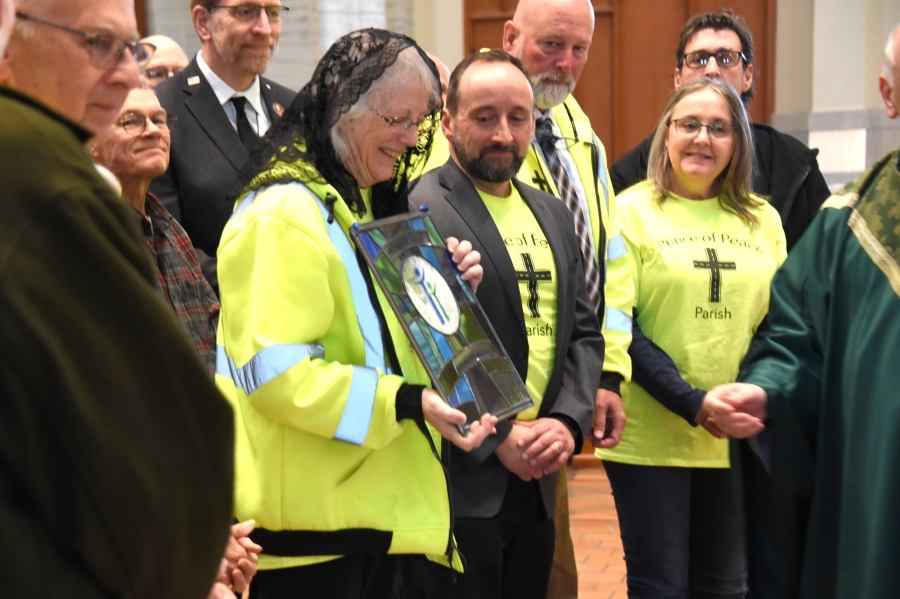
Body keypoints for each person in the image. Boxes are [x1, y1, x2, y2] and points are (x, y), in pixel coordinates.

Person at [214, 29, 497, 599]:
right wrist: (406, 401)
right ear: (344, 109)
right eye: (398, 119)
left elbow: (379, 338)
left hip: (367, 518)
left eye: (420, 122)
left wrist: (441, 289)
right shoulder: (281, 214)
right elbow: (278, 376)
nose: (412, 137)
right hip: (309, 538)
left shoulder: (355, 200)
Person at [0, 1, 234, 597]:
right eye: (97, 44)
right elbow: (125, 445)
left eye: (129, 49)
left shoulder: (160, 228)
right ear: (9, 37)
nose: (129, 73)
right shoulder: (44, 180)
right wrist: (193, 555)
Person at [705, 23, 900, 599]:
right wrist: (769, 389)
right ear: (889, 95)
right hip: (879, 504)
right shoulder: (851, 228)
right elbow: (797, 341)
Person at [408, 49, 603, 599]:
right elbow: (428, 343)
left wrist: (567, 422)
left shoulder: (553, 212)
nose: (503, 133)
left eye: (518, 117)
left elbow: (583, 334)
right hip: (465, 476)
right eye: (484, 116)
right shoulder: (419, 207)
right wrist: (498, 437)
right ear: (447, 123)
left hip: (541, 470)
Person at [595, 78, 785, 599]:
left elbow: (779, 324)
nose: (702, 138)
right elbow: (619, 322)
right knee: (660, 587)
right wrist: (695, 403)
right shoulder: (629, 211)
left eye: (719, 128)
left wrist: (741, 399)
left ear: (738, 142)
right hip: (650, 437)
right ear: (666, 134)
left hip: (735, 436)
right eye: (689, 124)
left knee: (726, 587)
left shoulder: (763, 220)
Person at [501, 2, 630, 594]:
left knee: (552, 565)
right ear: (511, 37)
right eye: (553, 44)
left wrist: (608, 372)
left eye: (579, 49)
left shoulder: (580, 131)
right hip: (503, 394)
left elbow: (611, 262)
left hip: (569, 379)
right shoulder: (475, 126)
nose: (566, 63)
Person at [611, 8, 830, 251]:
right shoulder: (629, 176)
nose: (712, 70)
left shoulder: (795, 166)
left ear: (747, 76)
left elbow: (825, 264)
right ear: (678, 78)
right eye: (698, 59)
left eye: (726, 58)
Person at [149, 0, 294, 293]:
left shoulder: (292, 108)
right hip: (215, 318)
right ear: (203, 22)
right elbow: (167, 245)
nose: (265, 29)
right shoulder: (160, 111)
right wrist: (265, 288)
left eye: (273, 13)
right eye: (246, 12)